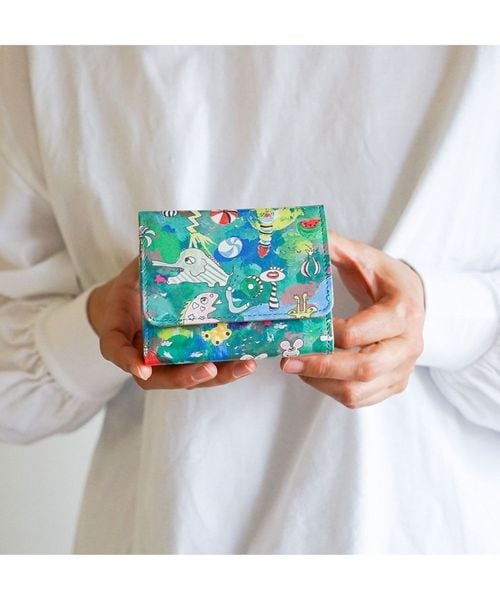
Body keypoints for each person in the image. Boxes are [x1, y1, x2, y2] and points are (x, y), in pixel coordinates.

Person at [0, 45, 499, 554]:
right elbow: (9, 393)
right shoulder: (43, 49)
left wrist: (437, 315)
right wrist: (103, 322)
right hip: (167, 535)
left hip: (417, 535)